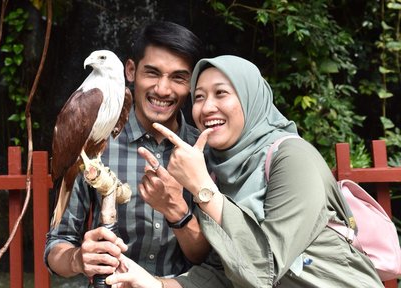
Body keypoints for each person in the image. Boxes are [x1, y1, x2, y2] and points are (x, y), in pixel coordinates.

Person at [105, 55, 384, 288]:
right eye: (199, 97)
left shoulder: (293, 158)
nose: (207, 107)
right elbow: (222, 272)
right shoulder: (218, 171)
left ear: (251, 99)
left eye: (221, 93)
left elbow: (264, 270)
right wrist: (155, 283)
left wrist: (202, 188)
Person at [44, 21, 211, 283]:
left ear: (192, 83)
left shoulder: (204, 150)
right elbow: (57, 245)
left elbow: (214, 259)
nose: (163, 90)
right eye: (152, 73)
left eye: (178, 77)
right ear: (130, 70)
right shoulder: (97, 142)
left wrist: (176, 209)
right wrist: (79, 258)